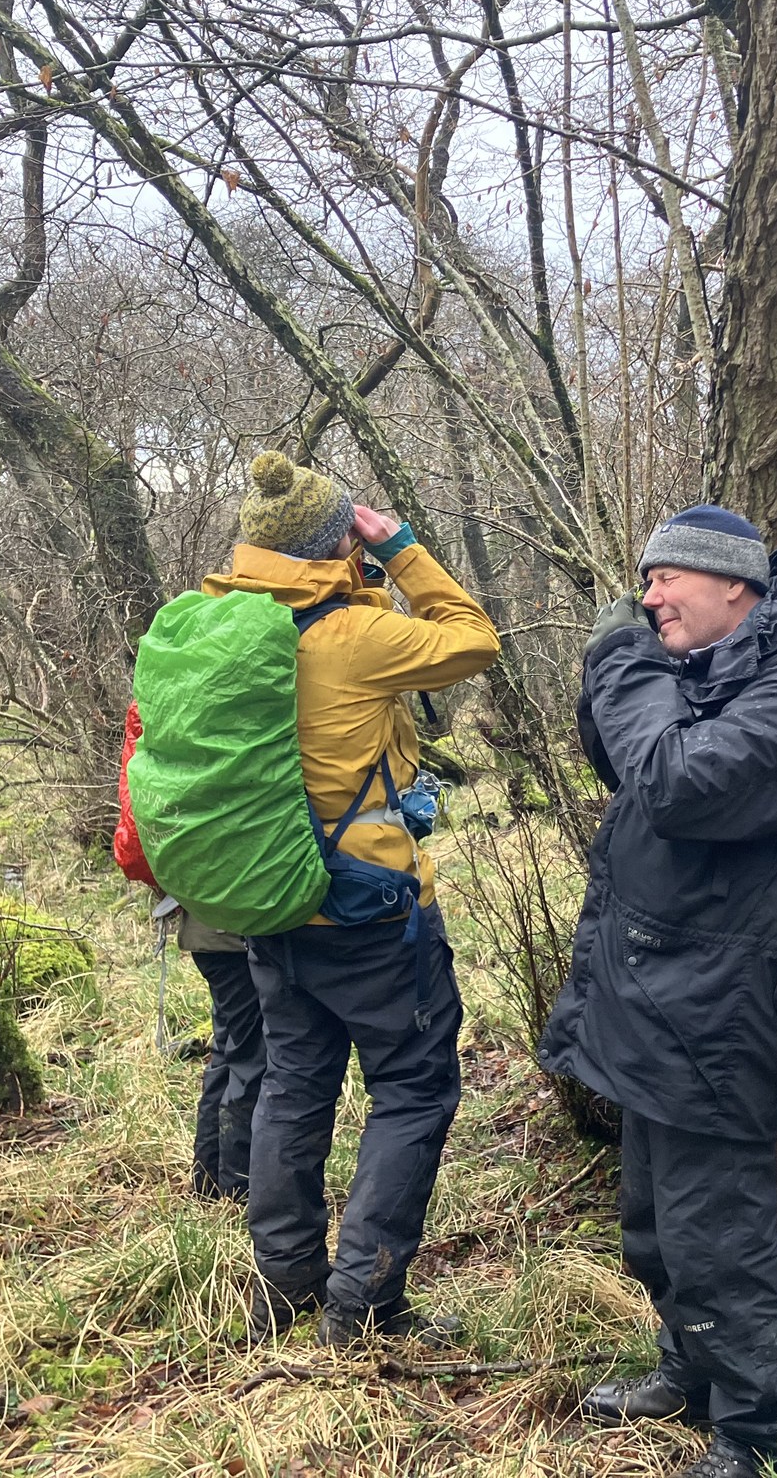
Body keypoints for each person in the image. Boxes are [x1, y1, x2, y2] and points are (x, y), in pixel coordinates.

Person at [541, 505, 777, 1478]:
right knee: (652, 1221)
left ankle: (758, 1433)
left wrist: (624, 668)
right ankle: (688, 1371)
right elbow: (626, 770)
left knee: (713, 1228)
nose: (645, 599)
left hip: (723, 997)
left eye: (664, 579)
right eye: (642, 582)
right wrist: (625, 675)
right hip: (655, 981)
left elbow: (681, 785)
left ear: (736, 586)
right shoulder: (701, 667)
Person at [218, 452, 500, 1345]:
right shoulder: (355, 637)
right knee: (414, 1087)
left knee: (294, 1087)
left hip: (270, 893)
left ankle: (286, 1284)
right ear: (337, 542)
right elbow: (473, 638)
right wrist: (402, 548)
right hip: (368, 904)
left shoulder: (228, 623)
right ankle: (365, 1303)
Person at [183, 913, 264, 1204]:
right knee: (251, 1061)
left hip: (208, 935)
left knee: (227, 1057)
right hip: (235, 938)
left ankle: (207, 1182)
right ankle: (238, 1190)